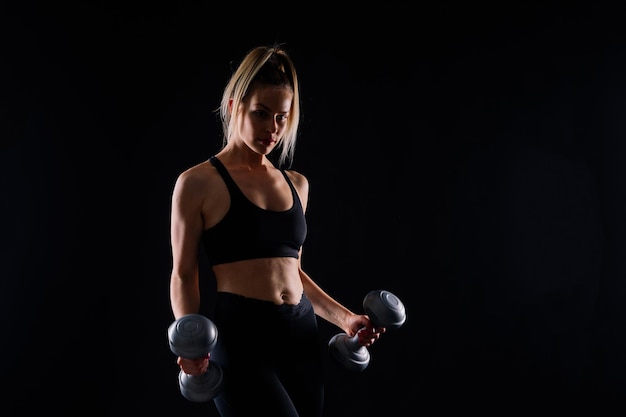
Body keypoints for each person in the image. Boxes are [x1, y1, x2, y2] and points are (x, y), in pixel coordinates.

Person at [168, 44, 386, 417]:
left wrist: (346, 319)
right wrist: (190, 344)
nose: (272, 128)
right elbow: (184, 273)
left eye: (282, 117)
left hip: (300, 336)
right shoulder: (197, 183)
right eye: (261, 113)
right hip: (241, 337)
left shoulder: (296, 184)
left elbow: (294, 273)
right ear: (235, 106)